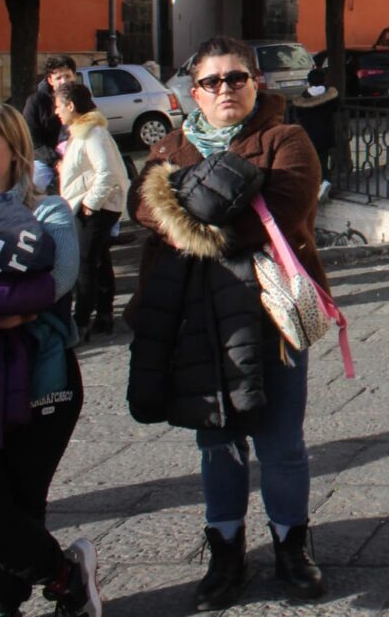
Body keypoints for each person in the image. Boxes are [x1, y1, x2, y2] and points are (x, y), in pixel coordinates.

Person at [125, 35, 327, 609]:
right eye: (213, 82)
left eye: (236, 78)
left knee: (281, 440)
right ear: (194, 92)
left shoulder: (286, 140)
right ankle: (226, 549)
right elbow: (143, 207)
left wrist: (186, 215)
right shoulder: (170, 145)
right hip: (198, 319)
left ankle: (293, 544)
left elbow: (280, 216)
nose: (225, 90)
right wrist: (207, 208)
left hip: (270, 315)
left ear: (255, 82)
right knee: (217, 440)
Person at [0, 100, 102, 617]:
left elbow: (55, 285)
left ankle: (4, 600)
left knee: (22, 497)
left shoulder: (48, 211)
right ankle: (62, 573)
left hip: (41, 376)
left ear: (14, 150)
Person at [53, 83, 129, 338]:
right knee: (98, 260)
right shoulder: (80, 133)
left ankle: (81, 320)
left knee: (86, 263)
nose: (56, 112)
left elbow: (108, 172)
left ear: (71, 106)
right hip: (89, 206)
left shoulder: (92, 133)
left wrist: (90, 204)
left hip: (97, 208)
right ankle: (104, 315)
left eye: (58, 106)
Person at [21, 56, 76, 193]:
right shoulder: (36, 101)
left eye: (68, 76)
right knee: (38, 182)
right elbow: (32, 139)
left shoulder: (81, 98)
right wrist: (56, 161)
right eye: (58, 78)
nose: (64, 81)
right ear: (50, 80)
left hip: (75, 155)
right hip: (43, 159)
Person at [288, 69, 339, 184]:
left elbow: (298, 115)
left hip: (308, 135)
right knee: (323, 161)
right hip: (325, 133)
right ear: (324, 79)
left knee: (309, 162)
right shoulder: (331, 96)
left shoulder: (303, 98)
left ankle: (312, 185)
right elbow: (336, 107)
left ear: (309, 81)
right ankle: (325, 184)